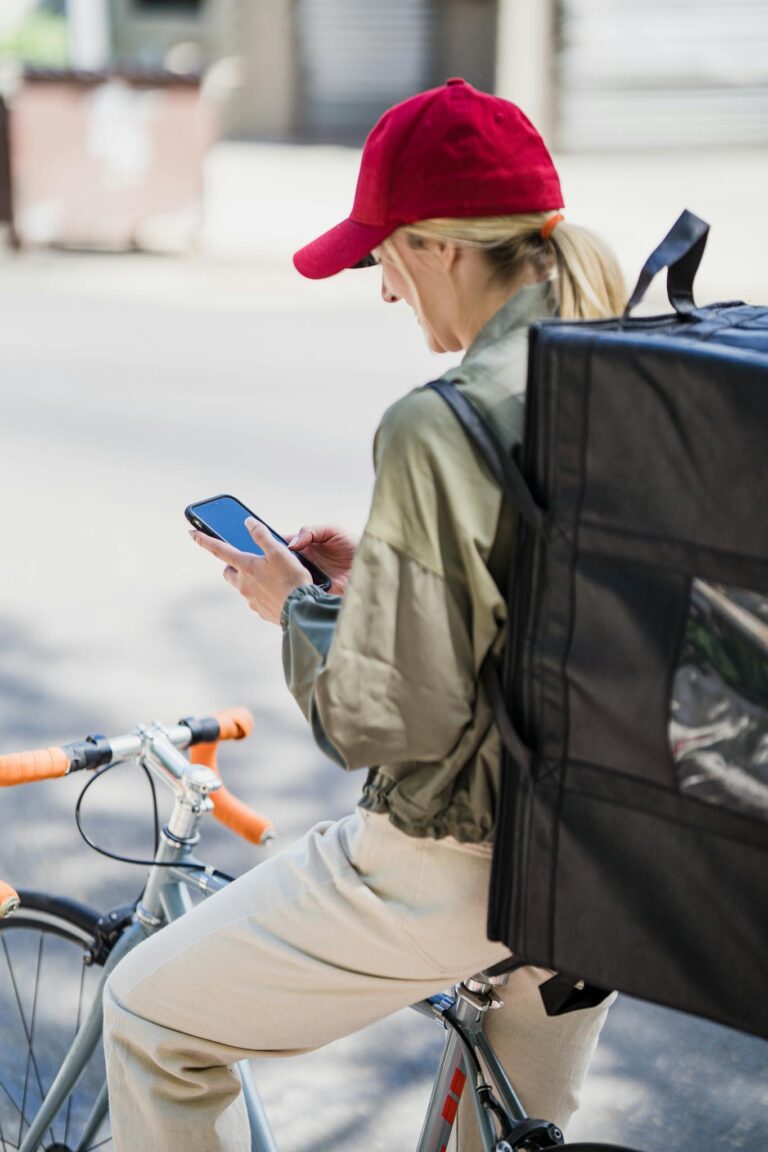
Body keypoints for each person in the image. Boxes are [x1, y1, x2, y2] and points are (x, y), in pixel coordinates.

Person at [103, 78, 625, 1151]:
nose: (386, 291)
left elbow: (389, 722)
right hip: (606, 848)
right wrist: (369, 590)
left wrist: (296, 609)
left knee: (149, 1017)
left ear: (439, 247)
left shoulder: (445, 421)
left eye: (384, 256)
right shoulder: (620, 365)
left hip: (460, 860)